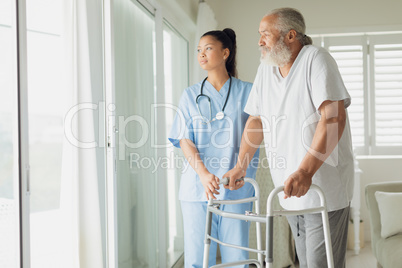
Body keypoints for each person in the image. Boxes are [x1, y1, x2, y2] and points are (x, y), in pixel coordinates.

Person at [223, 8, 354, 268]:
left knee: (319, 264)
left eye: (265, 34)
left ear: (290, 35)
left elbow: (333, 118)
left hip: (322, 191)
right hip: (288, 190)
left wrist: (305, 171)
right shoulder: (266, 69)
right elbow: (256, 121)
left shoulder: (316, 59)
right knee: (304, 262)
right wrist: (241, 165)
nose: (259, 41)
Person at [168, 28, 259, 267]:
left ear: (225, 53)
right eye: (199, 50)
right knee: (197, 258)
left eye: (208, 48)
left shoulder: (248, 92)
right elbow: (184, 139)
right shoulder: (189, 95)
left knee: (237, 257)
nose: (201, 54)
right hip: (197, 188)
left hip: (236, 187)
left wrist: (240, 167)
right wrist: (203, 174)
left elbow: (256, 132)